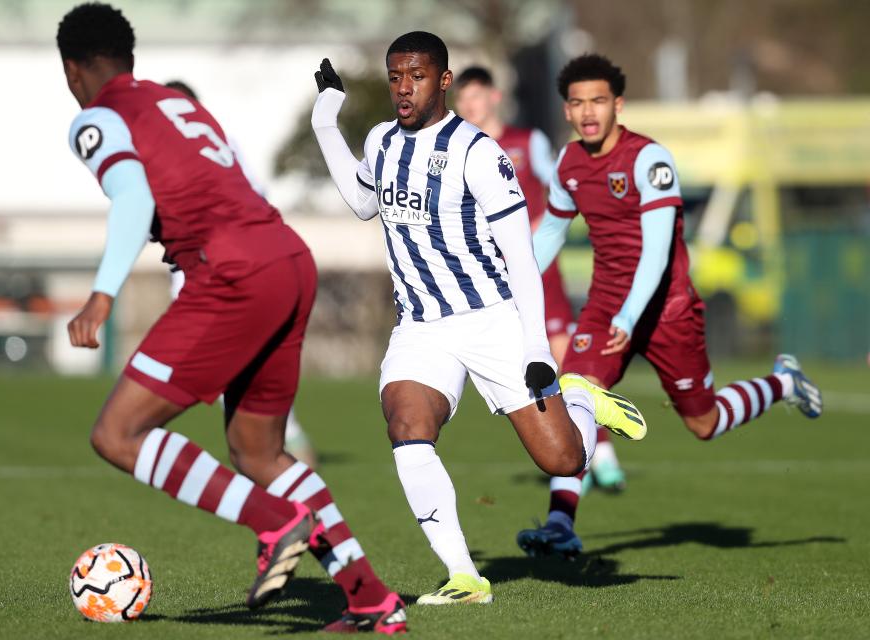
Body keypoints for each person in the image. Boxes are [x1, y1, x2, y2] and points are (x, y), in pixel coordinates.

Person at [57, 4, 403, 633]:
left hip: (233, 274)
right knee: (259, 451)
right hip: (288, 259)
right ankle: (370, 599)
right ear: (130, 58)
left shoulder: (99, 117)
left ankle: (274, 521)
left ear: (72, 69)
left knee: (117, 435)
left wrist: (102, 294)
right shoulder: (178, 104)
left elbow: (133, 197)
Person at [311, 32, 648, 606]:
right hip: (420, 326)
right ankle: (465, 577)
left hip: (492, 320)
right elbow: (364, 202)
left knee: (563, 459)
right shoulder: (382, 141)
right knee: (406, 425)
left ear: (443, 80)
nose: (404, 88)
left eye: (417, 76)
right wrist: (325, 124)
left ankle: (582, 400)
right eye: (395, 77)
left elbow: (521, 259)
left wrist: (537, 348)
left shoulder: (478, 153)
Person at [518, 53, 823, 558]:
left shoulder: (649, 159)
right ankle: (560, 524)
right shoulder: (568, 163)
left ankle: (783, 383)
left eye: (598, 100)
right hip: (605, 307)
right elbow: (550, 232)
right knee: (575, 393)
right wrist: (507, 286)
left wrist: (631, 314)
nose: (588, 112)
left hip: (667, 310)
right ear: (566, 110)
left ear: (618, 104)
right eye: (577, 103)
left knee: (705, 423)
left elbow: (657, 252)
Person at [455, 65, 627, 494]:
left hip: (536, 269)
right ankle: (569, 450)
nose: (468, 105)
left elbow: (561, 188)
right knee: (525, 371)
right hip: (488, 277)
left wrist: (539, 226)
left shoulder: (527, 141)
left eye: (475, 96)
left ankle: (600, 456)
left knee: (565, 361)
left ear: (494, 97)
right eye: (462, 98)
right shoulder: (459, 148)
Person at [164, 79, 319, 469]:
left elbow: (254, 197)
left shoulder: (216, 144)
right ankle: (282, 445)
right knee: (230, 369)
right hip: (203, 271)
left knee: (210, 369)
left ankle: (283, 443)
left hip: (226, 271)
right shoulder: (192, 147)